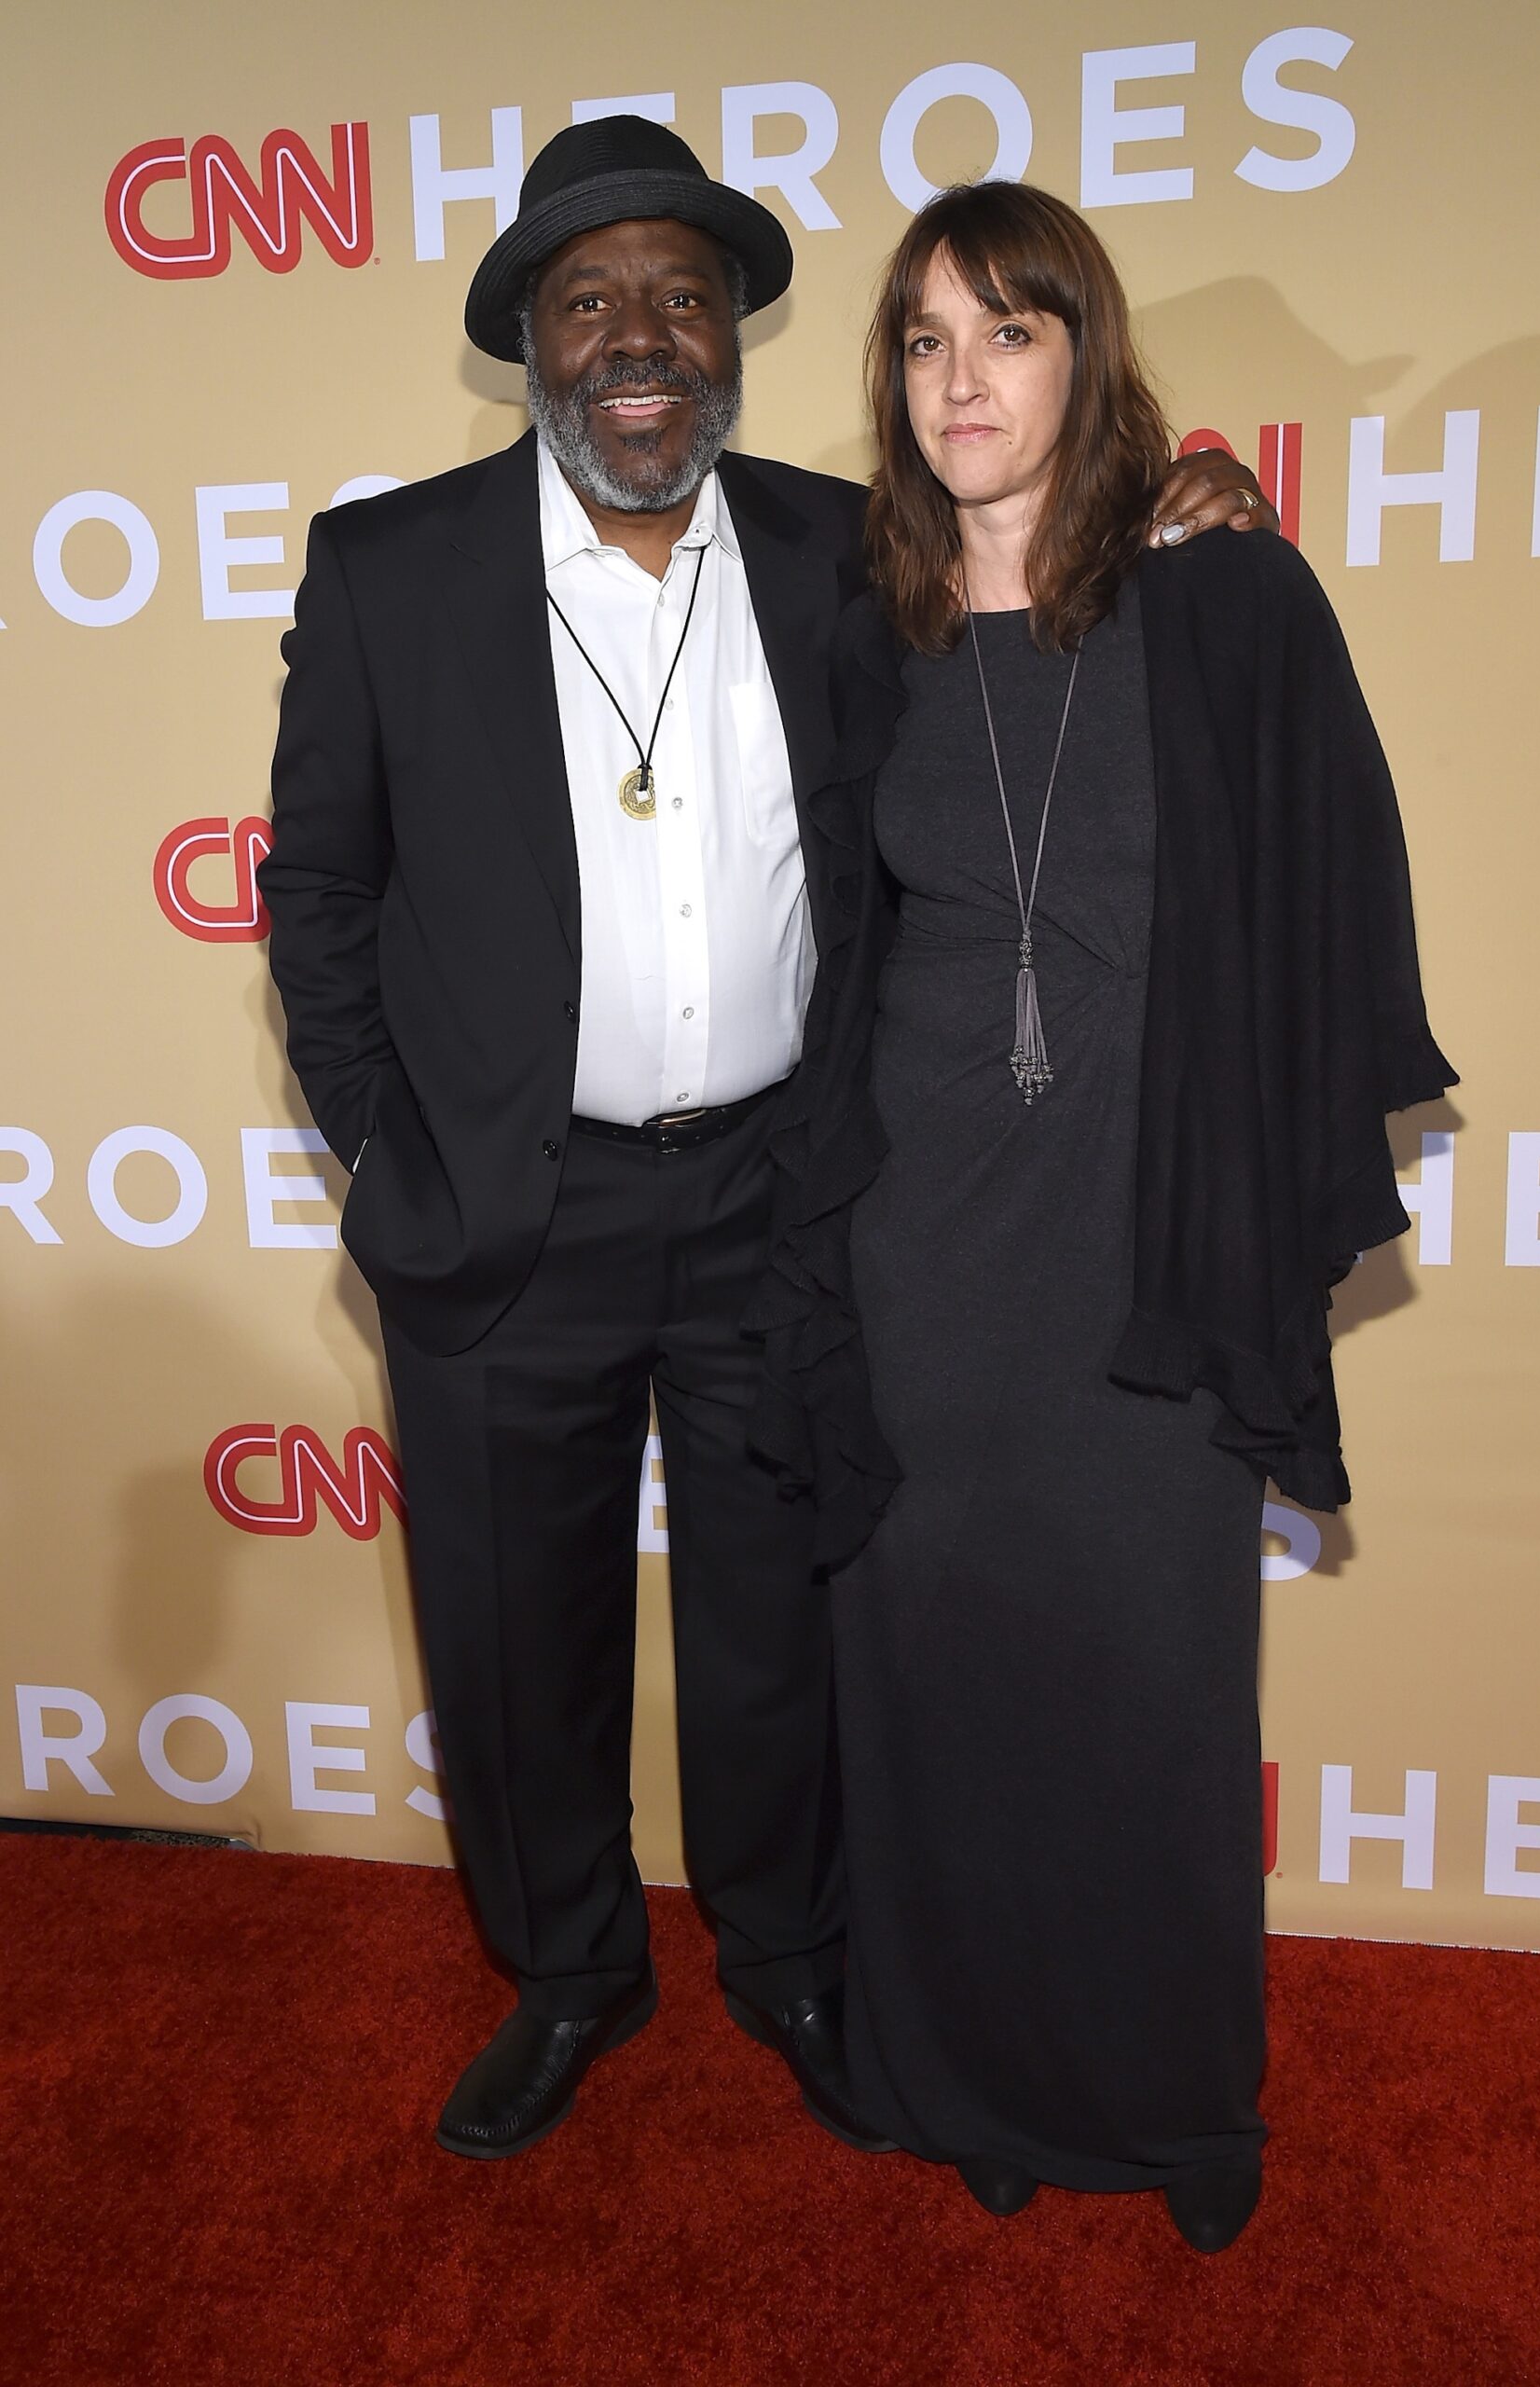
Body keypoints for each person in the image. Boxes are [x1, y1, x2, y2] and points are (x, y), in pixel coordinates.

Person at [260, 117, 1273, 2165]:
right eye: (589, 300)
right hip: (502, 1221)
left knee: (771, 1627)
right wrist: (396, 1151)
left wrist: (1174, 512)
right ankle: (567, 1974)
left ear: (729, 332)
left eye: (680, 296)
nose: (639, 338)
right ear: (530, 342)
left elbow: (1029, 618)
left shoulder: (845, 552)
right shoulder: (392, 572)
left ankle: (790, 1953)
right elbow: (322, 898)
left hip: (775, 1203)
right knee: (511, 1637)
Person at [749, 179, 1454, 2247]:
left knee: (1142, 1685)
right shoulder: (855, 619)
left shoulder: (1221, 596)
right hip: (916, 1235)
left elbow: (1335, 888)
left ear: (1086, 355)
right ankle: (956, 2070)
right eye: (921, 339)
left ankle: (1169, 2103)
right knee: (934, 1681)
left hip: (1140, 1228)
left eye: (1008, 331)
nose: (960, 378)